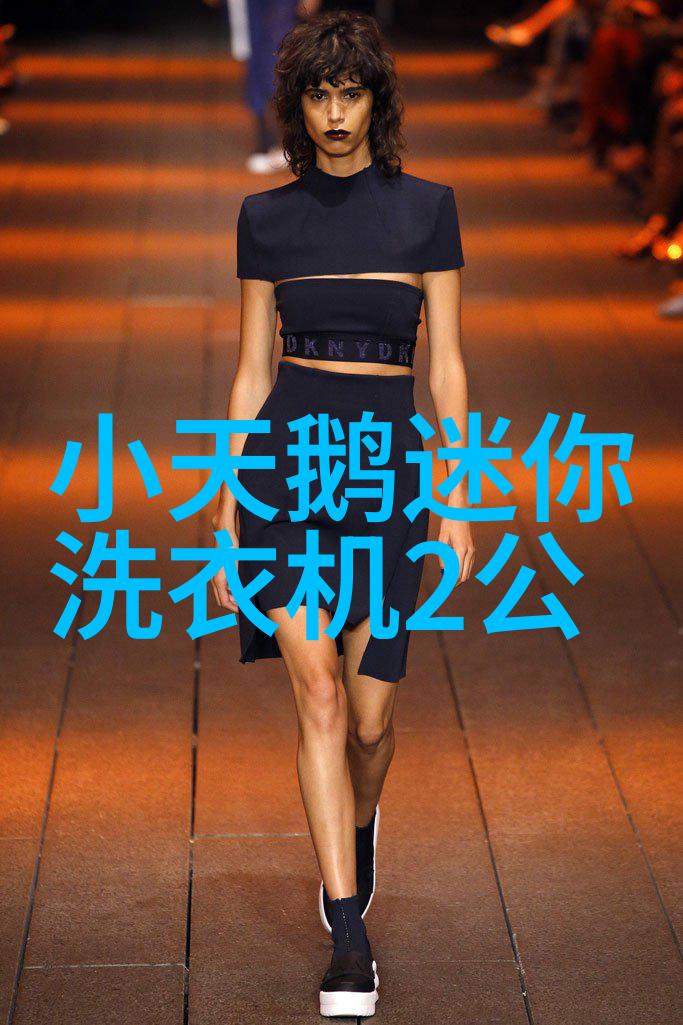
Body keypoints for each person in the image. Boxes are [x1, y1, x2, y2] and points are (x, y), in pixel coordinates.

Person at [211, 9, 474, 1017]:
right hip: (288, 467)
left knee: (370, 720)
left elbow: (445, 367)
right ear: (296, 105)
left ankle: (357, 839)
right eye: (317, 94)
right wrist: (224, 505)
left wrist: (456, 494)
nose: (333, 112)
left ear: (375, 101)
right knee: (317, 692)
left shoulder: (427, 211)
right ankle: (348, 934)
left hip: (385, 475)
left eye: (349, 92)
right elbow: (248, 374)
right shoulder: (264, 219)